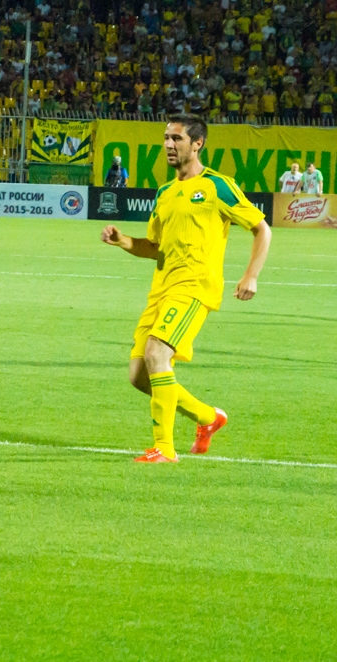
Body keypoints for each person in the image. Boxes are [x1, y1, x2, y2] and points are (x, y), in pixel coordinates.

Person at [101, 114, 272, 463]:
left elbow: (261, 228)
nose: (168, 144)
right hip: (161, 290)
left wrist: (251, 275)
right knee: (139, 376)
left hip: (195, 287)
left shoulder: (217, 186)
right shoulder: (165, 193)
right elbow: (155, 247)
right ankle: (208, 417)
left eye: (176, 138)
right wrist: (124, 241)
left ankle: (164, 448)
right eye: (166, 138)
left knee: (156, 354)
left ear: (197, 144)